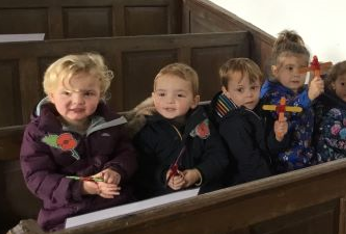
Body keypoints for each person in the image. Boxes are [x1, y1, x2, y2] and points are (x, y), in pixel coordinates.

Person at [20, 53, 136, 232]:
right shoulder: (40, 132)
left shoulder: (111, 124)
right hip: (65, 213)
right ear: (51, 95)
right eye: (67, 93)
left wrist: (116, 170)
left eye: (88, 93)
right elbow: (37, 177)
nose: (78, 101)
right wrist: (81, 188)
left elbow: (127, 153)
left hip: (115, 206)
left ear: (100, 95)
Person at [133, 63, 228, 199]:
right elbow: (141, 168)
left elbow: (218, 156)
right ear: (153, 97)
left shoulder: (203, 122)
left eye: (179, 95)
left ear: (194, 101)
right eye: (162, 94)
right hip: (161, 196)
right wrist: (164, 175)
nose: (170, 100)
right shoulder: (147, 129)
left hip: (201, 192)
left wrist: (198, 173)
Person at [210, 58, 289, 185]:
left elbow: (269, 148)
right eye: (240, 90)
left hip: (267, 171)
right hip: (244, 183)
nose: (249, 95)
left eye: (253, 87)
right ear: (226, 92)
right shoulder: (232, 124)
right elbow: (249, 163)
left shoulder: (261, 108)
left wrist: (278, 137)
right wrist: (272, 186)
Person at [260, 30, 324, 172]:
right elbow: (285, 110)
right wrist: (309, 96)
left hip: (309, 157)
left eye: (302, 68)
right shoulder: (272, 93)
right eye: (290, 68)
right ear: (276, 71)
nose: (296, 73)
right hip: (284, 163)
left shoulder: (302, 89)